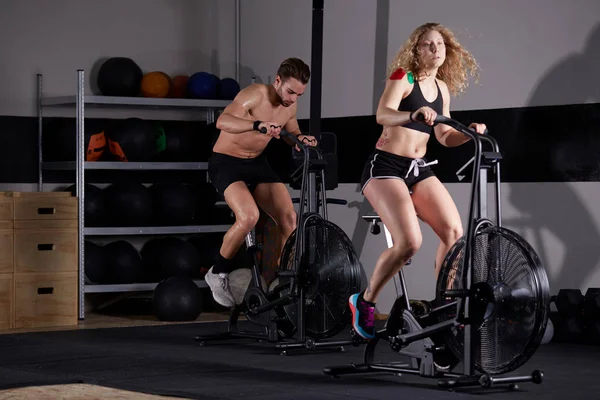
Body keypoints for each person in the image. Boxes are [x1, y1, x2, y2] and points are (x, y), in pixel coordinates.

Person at [349, 22, 487, 340]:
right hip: (385, 167)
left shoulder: (441, 90)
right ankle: (365, 302)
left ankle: (444, 306)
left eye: (439, 45)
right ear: (417, 49)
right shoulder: (404, 77)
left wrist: (468, 133)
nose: (435, 50)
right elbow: (383, 115)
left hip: (417, 168)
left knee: (454, 232)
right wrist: (412, 115)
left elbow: (443, 135)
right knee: (410, 243)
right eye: (427, 44)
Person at [206, 57, 318, 307]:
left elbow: (293, 132)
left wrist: (302, 140)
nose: (293, 99)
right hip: (227, 162)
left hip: (257, 163)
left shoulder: (290, 105)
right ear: (277, 81)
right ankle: (217, 273)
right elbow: (223, 121)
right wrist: (257, 125)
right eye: (290, 91)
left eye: (299, 94)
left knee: (289, 219)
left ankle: (284, 280)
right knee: (249, 217)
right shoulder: (255, 95)